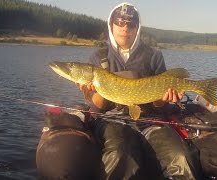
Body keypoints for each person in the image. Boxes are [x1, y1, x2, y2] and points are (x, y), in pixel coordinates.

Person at [76, 2, 202, 180]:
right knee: (119, 155)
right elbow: (98, 108)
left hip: (151, 120)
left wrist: (164, 99)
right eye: (120, 22)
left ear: (137, 28)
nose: (125, 28)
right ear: (111, 25)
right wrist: (93, 91)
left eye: (131, 24)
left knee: (182, 158)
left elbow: (160, 106)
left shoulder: (153, 55)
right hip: (114, 120)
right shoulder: (99, 57)